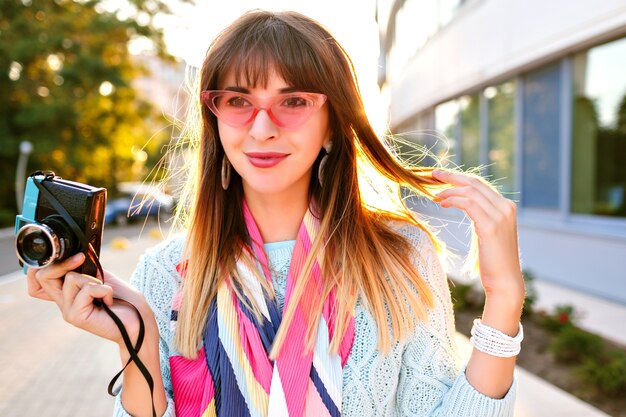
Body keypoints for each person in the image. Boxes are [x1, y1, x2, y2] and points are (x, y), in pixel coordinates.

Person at [27, 9, 525, 417]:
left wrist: (503, 300)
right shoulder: (167, 272)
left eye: (293, 101)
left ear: (333, 124)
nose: (262, 128)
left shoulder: (399, 259)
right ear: (215, 118)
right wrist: (137, 342)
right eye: (239, 100)